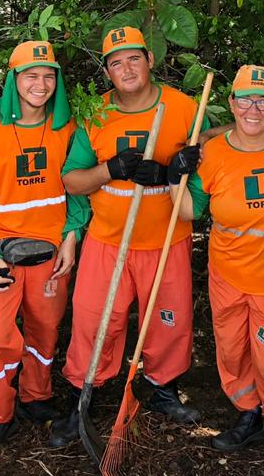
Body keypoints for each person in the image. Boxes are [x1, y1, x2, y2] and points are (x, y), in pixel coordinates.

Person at [49, 26, 205, 447]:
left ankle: (162, 387)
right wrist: (110, 171)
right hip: (108, 240)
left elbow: (210, 148)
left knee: (169, 319)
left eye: (134, 58)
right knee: (93, 318)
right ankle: (85, 391)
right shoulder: (96, 114)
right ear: (107, 72)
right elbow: (72, 180)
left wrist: (178, 164)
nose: (126, 68)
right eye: (116, 62)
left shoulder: (182, 106)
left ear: (150, 60)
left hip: (167, 238)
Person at [0, 40, 88, 457]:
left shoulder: (67, 125)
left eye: (49, 75)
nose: (41, 84)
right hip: (0, 253)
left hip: (51, 250)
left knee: (46, 329)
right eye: (31, 75)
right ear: (13, 79)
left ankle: (36, 396)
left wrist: (72, 236)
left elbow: (79, 188)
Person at [182, 65, 264, 459]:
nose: (254, 108)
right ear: (231, 103)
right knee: (233, 350)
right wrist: (175, 177)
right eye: (246, 99)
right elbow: (189, 210)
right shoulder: (214, 154)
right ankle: (247, 414)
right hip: (228, 275)